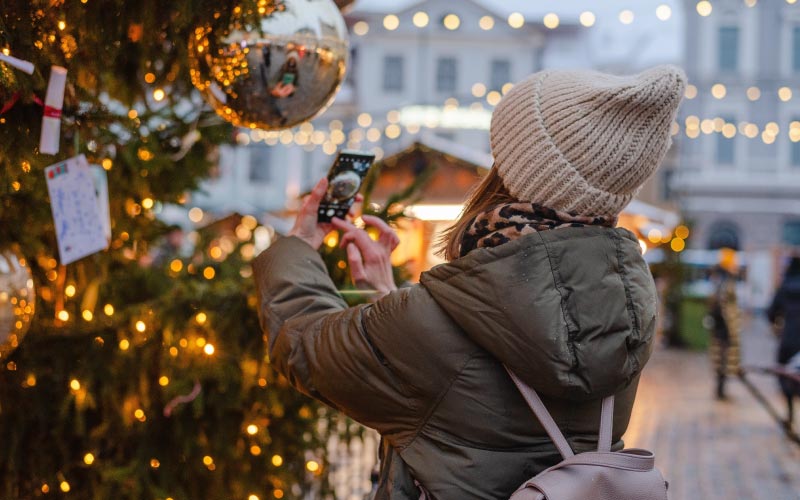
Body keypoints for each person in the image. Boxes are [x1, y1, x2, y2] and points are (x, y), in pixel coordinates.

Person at [254, 66, 686, 499]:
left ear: (518, 173)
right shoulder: (624, 309)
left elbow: (304, 345)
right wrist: (390, 301)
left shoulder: (426, 326)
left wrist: (298, 245)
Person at [767, 256, 800, 427]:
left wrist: (777, 328)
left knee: (785, 374)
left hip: (788, 339)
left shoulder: (784, 287)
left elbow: (771, 312)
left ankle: (790, 412)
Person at [707, 251, 741, 400]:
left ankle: (721, 390)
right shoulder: (726, 281)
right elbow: (724, 307)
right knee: (723, 359)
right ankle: (720, 391)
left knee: (722, 360)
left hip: (720, 327)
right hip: (724, 328)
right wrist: (730, 329)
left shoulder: (719, 279)